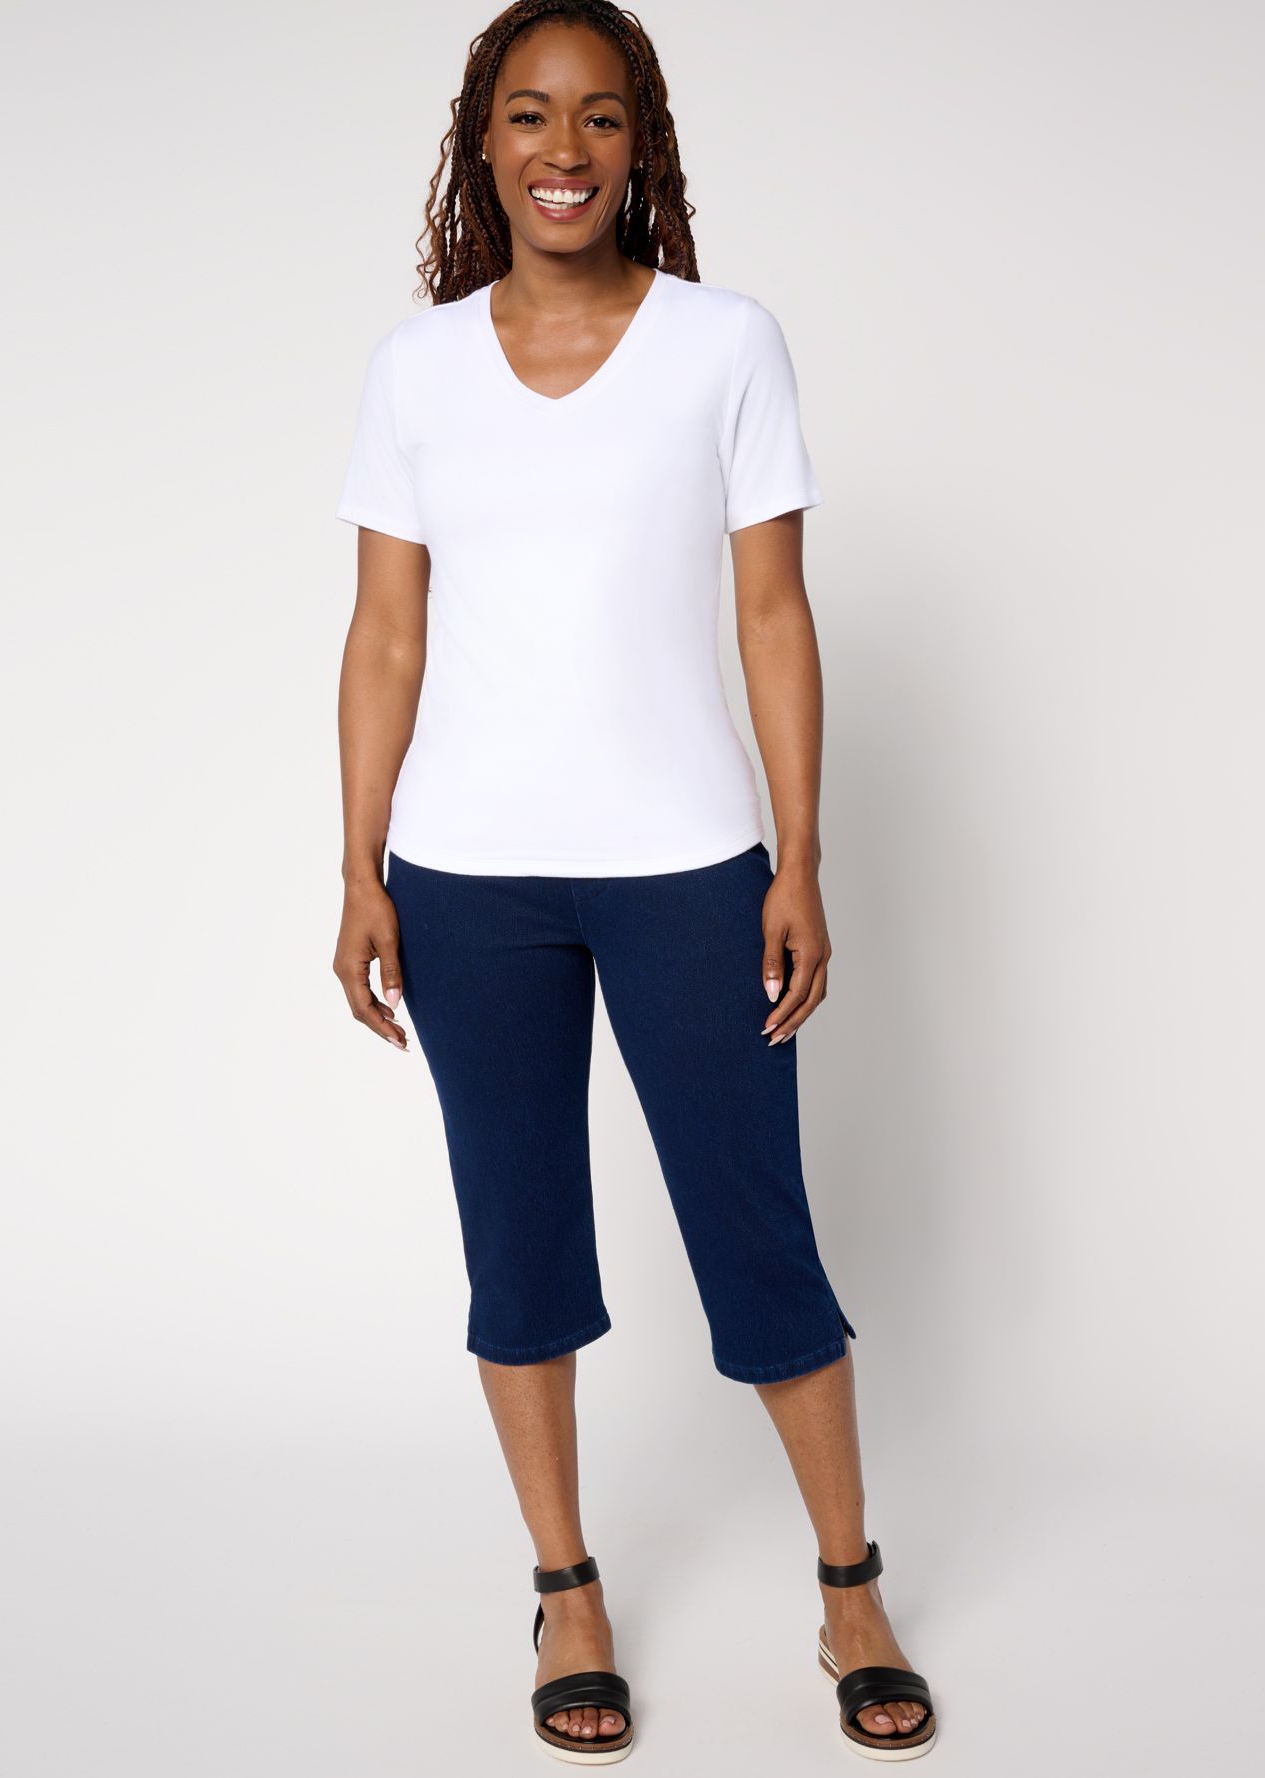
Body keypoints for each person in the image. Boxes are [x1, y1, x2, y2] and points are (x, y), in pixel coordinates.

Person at [330, 1, 937, 1762]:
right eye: (530, 114)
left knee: (757, 1230)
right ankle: (567, 1587)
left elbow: (773, 612)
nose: (565, 149)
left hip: (687, 864)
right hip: (468, 878)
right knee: (516, 1236)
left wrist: (797, 854)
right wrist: (357, 863)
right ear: (485, 142)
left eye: (600, 116)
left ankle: (849, 1583)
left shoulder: (724, 345)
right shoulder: (416, 368)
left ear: (640, 143)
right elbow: (385, 632)